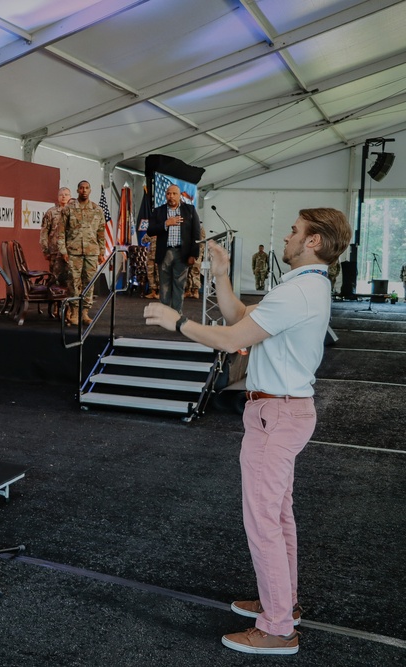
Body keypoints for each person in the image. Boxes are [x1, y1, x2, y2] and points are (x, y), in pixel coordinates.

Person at [144, 208, 351, 656]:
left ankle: (277, 627)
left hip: (276, 417)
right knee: (278, 517)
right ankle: (283, 604)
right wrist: (221, 273)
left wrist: (175, 320)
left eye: (296, 231)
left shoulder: (299, 291)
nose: (288, 236)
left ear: (313, 242)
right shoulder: (306, 286)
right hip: (283, 413)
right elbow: (241, 317)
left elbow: (228, 338)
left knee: (264, 523)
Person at [147, 185, 201, 312]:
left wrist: (194, 254)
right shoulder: (159, 211)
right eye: (168, 194)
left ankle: (176, 314)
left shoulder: (190, 210)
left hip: (182, 253)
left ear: (179, 195)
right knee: (164, 285)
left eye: (174, 194)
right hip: (165, 253)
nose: (171, 196)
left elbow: (196, 233)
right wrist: (166, 223)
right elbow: (150, 231)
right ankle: (164, 314)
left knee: (179, 284)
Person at [59, 181, 105, 325]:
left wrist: (102, 252)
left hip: (92, 252)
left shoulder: (97, 210)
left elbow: (101, 232)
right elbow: (61, 231)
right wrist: (63, 250)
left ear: (90, 190)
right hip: (73, 252)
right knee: (73, 282)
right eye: (81, 188)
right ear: (77, 190)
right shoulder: (69, 209)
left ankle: (85, 313)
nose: (84, 190)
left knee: (89, 283)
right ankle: (74, 312)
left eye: (86, 188)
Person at [39, 187, 72, 290]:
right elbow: (44, 233)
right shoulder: (51, 212)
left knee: (70, 281)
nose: (63, 196)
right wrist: (45, 250)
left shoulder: (74, 213)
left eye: (66, 194)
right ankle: (56, 306)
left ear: (70, 197)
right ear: (58, 197)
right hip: (55, 252)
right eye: (61, 194)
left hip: (71, 252)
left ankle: (68, 305)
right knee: (56, 280)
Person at [185, 225, 206, 299]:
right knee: (187, 271)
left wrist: (197, 254)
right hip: (187, 250)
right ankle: (187, 290)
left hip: (197, 252)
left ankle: (195, 290)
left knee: (195, 270)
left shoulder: (199, 227)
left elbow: (201, 243)